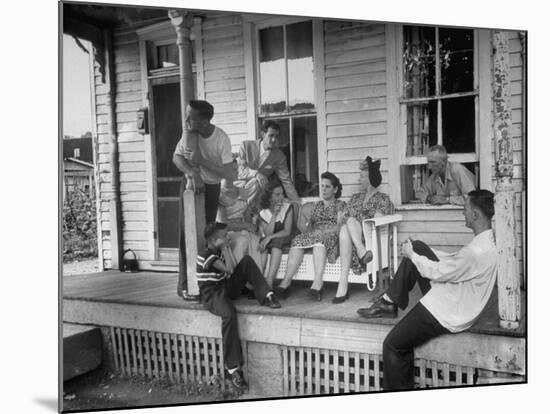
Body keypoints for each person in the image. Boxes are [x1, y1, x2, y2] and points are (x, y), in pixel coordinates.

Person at [357, 190, 497, 391]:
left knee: (393, 345)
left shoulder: (475, 252)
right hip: (457, 297)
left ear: (475, 214)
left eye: (465, 209)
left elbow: (441, 272)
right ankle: (389, 302)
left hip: (449, 310)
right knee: (419, 246)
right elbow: (454, 261)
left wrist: (412, 256)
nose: (462, 213)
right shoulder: (486, 242)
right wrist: (415, 251)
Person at [197, 223, 282, 391]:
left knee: (247, 262)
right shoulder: (205, 255)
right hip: (211, 294)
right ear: (215, 240)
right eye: (224, 236)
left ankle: (267, 295)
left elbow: (234, 271)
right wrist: (226, 249)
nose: (228, 238)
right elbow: (229, 269)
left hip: (223, 287)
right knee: (229, 314)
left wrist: (225, 248)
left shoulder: (219, 250)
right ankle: (233, 369)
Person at [275, 172, 346, 301]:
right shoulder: (317, 205)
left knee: (319, 243)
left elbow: (340, 227)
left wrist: (324, 231)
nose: (323, 189)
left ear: (335, 189)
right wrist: (307, 227)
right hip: (315, 235)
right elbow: (309, 228)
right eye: (322, 186)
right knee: (297, 241)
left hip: (331, 237)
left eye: (327, 187)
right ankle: (286, 282)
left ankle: (318, 283)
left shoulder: (340, 205)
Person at [333, 156, 393, 303]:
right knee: (346, 227)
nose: (359, 180)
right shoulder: (355, 198)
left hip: (369, 238)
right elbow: (343, 218)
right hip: (353, 242)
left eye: (362, 176)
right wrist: (342, 216)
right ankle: (360, 252)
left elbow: (378, 221)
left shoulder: (383, 199)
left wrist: (352, 218)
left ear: (370, 178)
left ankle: (343, 285)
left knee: (349, 222)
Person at [173, 99, 235, 224]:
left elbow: (229, 173)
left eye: (190, 118)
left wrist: (201, 160)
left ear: (204, 122)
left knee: (207, 227)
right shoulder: (189, 134)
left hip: (212, 186)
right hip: (191, 181)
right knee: (187, 226)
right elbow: (176, 158)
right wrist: (192, 173)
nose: (185, 120)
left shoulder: (221, 139)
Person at [235, 120, 299, 206]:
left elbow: (286, 181)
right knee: (256, 181)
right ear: (263, 134)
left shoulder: (279, 156)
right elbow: (240, 170)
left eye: (276, 136)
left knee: (258, 184)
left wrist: (296, 202)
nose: (274, 140)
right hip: (237, 187)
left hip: (256, 193)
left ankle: (249, 212)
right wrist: (256, 174)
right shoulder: (246, 146)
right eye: (271, 135)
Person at [257, 181, 295, 287]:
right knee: (262, 245)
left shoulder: (288, 207)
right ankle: (259, 280)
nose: (281, 197)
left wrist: (270, 237)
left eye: (282, 194)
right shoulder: (263, 212)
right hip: (272, 238)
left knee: (276, 241)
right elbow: (267, 232)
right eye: (277, 194)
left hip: (285, 237)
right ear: (269, 197)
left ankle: (269, 281)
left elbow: (287, 231)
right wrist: (274, 214)